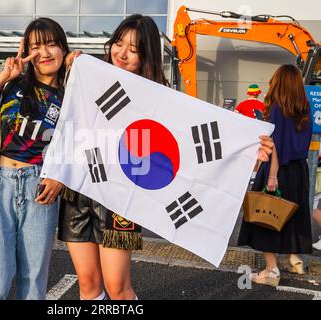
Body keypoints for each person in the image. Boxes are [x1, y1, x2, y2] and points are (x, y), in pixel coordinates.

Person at [59, 15, 275, 300]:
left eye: (133, 50)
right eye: (119, 43)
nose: (121, 53)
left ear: (146, 56)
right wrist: (75, 69)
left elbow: (192, 141)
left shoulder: (158, 98)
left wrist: (247, 151)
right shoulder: (90, 77)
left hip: (120, 198)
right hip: (80, 191)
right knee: (87, 285)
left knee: (117, 288)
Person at [0, 18, 69, 300]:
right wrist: (5, 75)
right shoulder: (13, 84)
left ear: (63, 47)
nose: (45, 53)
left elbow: (80, 141)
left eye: (51, 44)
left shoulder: (71, 93)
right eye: (36, 46)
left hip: (40, 187)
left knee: (33, 283)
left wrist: (60, 177)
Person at [238, 64, 313, 287]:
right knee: (290, 215)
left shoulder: (276, 109)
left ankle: (271, 270)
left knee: (264, 218)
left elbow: (275, 145)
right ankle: (293, 258)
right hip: (299, 171)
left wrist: (271, 176)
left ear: (278, 83)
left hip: (277, 170)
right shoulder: (305, 109)